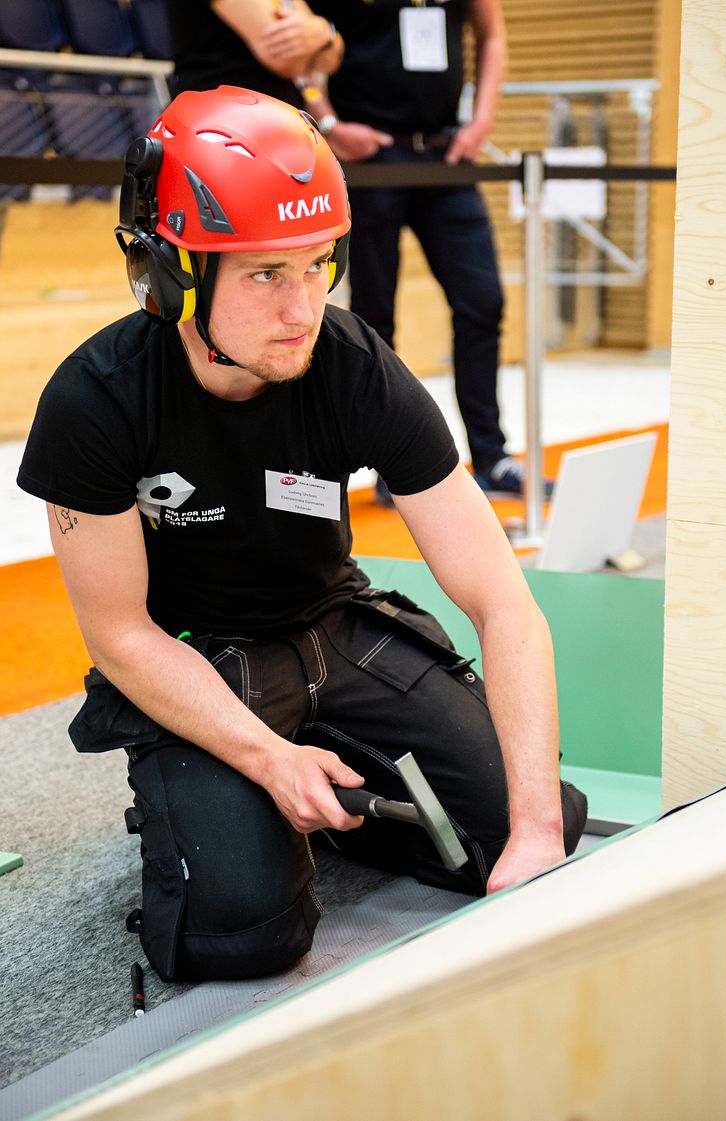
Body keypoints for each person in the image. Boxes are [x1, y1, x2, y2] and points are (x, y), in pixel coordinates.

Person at [17, 87, 586, 983]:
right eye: (264, 274)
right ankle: (223, 803)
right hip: (201, 655)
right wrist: (267, 760)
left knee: (526, 824)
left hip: (334, 623)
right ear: (172, 276)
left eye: (318, 264)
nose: (303, 305)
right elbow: (120, 637)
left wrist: (539, 831)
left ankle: (323, 786)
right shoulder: (95, 401)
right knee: (245, 931)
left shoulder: (356, 368)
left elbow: (501, 599)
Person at [308, 0, 550, 502]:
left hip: (447, 151)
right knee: (375, 315)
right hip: (372, 152)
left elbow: (492, 34)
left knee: (483, 301)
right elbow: (304, 48)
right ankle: (390, 469)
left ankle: (492, 456)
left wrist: (482, 120)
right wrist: (327, 123)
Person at [165, 0, 343, 107]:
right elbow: (284, 59)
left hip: (269, 122)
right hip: (218, 125)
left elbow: (332, 60)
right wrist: (323, 35)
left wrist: (323, 33)